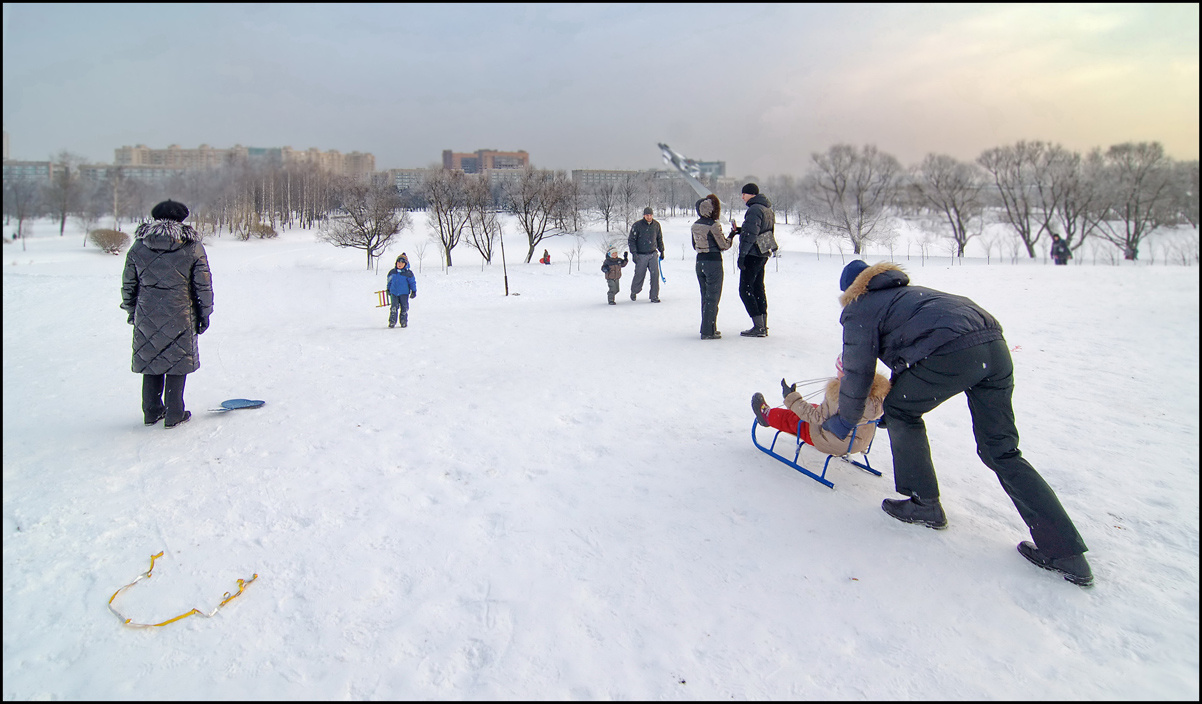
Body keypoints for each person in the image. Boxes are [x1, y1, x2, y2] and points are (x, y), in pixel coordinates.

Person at [825, 259, 1093, 586]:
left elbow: (858, 372)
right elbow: (912, 357)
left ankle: (924, 504)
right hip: (994, 349)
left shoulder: (860, 307)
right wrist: (896, 409)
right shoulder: (910, 296)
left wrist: (846, 420)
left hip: (953, 353)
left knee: (900, 411)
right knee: (1001, 450)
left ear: (852, 291)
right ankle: (1066, 552)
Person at [120, 199, 213, 429]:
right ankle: (174, 413)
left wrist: (131, 309)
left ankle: (152, 411)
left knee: (151, 358)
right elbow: (203, 285)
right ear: (182, 219)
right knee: (177, 359)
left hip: (147, 312)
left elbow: (129, 282)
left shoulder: (139, 246)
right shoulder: (191, 246)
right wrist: (205, 313)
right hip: (181, 312)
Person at [751, 355, 891, 455]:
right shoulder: (876, 395)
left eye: (840, 371)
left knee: (794, 419)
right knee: (813, 407)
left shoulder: (842, 398)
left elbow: (816, 417)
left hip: (832, 441)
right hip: (859, 441)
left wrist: (791, 398)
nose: (836, 374)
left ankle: (767, 416)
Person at [730, 183, 776, 336]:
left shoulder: (754, 209)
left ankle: (758, 327)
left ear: (752, 194)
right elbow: (761, 231)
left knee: (745, 290)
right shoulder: (767, 209)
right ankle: (763, 325)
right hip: (763, 252)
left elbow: (751, 235)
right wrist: (741, 230)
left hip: (752, 254)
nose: (742, 197)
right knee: (758, 288)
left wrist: (742, 255)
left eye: (744, 194)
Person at [691, 194, 735, 339]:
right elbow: (723, 245)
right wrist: (732, 235)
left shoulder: (695, 225)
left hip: (700, 262)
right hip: (713, 262)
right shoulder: (713, 225)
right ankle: (708, 331)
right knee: (713, 297)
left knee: (705, 296)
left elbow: (694, 245)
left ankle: (708, 327)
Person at [627, 207, 664, 302]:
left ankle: (654, 296)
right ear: (644, 215)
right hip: (641, 255)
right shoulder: (637, 225)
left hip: (653, 253)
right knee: (639, 275)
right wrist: (634, 253)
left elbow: (659, 238)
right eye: (647, 215)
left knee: (655, 275)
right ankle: (634, 291)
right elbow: (631, 240)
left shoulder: (656, 225)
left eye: (650, 215)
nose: (649, 217)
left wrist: (662, 250)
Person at [386, 253, 417, 328]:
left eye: (402, 263)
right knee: (394, 307)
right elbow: (389, 281)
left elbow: (412, 282)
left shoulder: (408, 273)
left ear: (405, 264)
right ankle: (392, 321)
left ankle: (403, 321)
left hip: (404, 293)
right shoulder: (392, 272)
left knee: (404, 308)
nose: (400, 264)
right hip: (394, 293)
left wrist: (413, 291)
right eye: (398, 262)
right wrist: (388, 289)